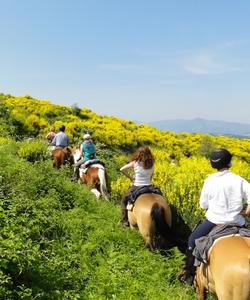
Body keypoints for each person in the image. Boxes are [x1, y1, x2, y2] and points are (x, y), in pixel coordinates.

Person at [179, 148, 250, 285]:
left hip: (213, 222)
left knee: (192, 240)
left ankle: (189, 275)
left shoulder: (209, 180)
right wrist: (246, 212)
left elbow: (203, 205)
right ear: (229, 163)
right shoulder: (239, 180)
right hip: (237, 224)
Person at [120, 146, 154, 227]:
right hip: (149, 186)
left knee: (124, 200)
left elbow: (122, 169)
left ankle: (124, 221)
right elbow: (151, 177)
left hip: (137, 186)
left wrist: (131, 178)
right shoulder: (151, 164)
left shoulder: (135, 163)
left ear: (139, 154)